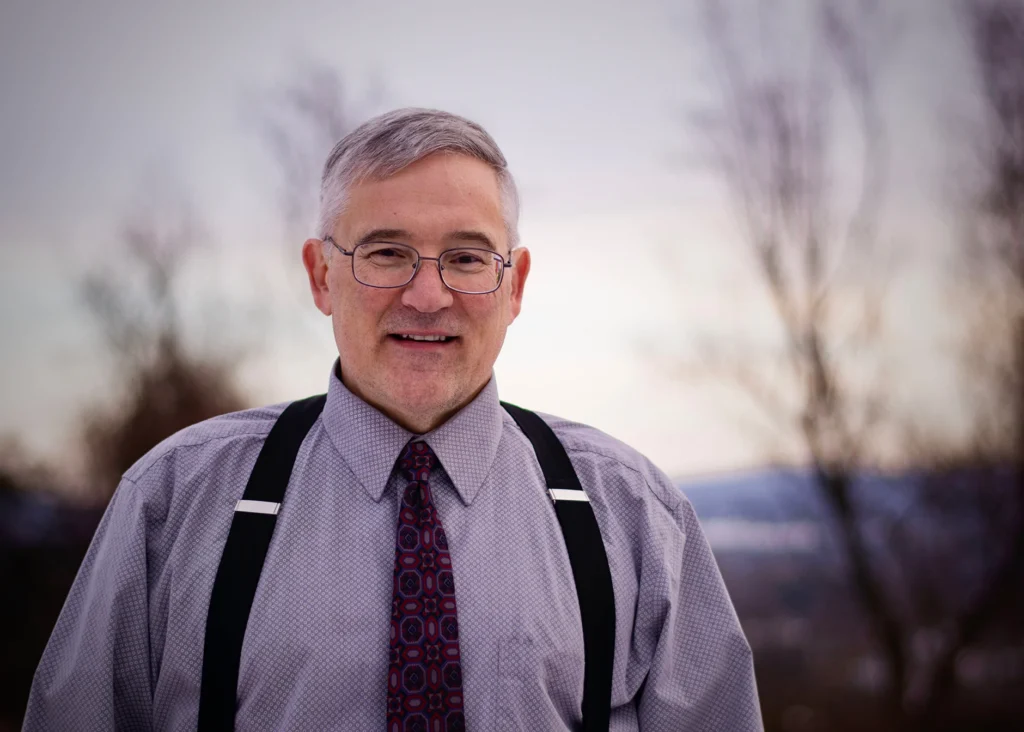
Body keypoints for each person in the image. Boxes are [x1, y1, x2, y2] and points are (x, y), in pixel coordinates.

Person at [24, 108, 763, 731]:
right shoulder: (175, 499)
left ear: (516, 285)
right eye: (387, 253)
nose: (428, 295)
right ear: (321, 274)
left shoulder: (633, 514)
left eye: (468, 259)